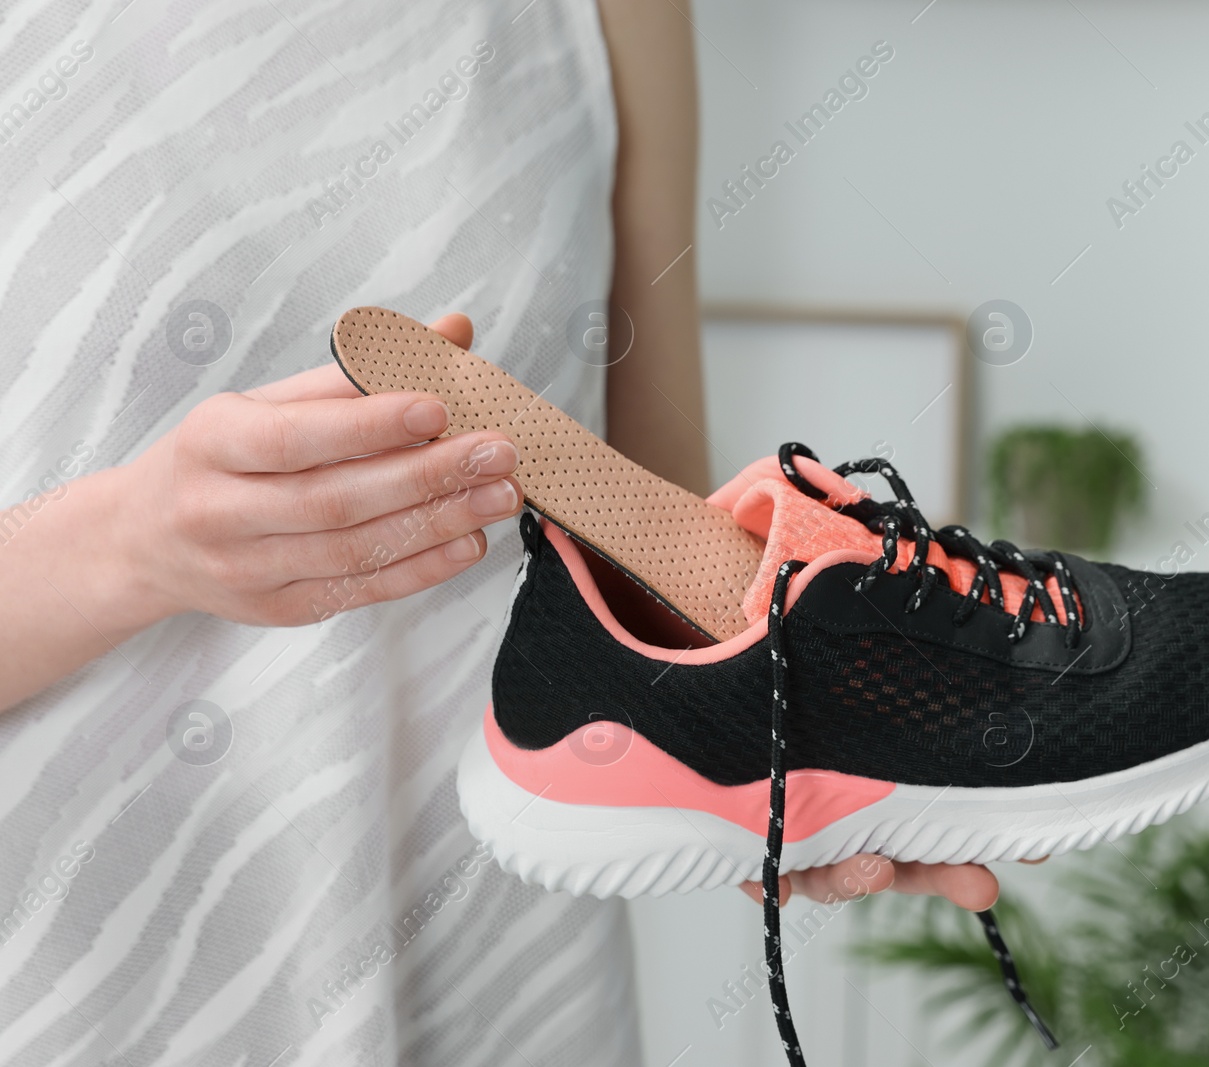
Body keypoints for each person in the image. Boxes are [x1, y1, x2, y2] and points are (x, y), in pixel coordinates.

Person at [0, 1, 1001, 1062]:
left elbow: (659, 548)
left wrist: (800, 742)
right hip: (90, 981)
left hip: (502, 979)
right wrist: (128, 544)